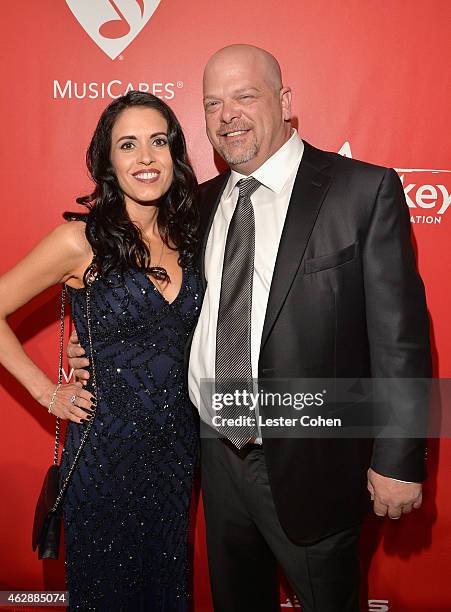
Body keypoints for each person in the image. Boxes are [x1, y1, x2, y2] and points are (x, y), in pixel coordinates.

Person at [69, 45, 431, 612]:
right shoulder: (197, 205)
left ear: (285, 102)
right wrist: (95, 339)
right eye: (213, 103)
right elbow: (166, 307)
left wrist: (400, 458)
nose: (227, 114)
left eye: (245, 96)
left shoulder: (362, 191)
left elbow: (401, 340)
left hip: (312, 460)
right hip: (213, 455)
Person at [0, 91, 200, 611]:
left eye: (158, 142)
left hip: (177, 455)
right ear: (108, 161)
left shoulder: (194, 237)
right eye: (127, 145)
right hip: (104, 454)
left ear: (175, 154)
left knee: (167, 591)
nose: (146, 158)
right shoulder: (79, 241)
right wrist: (47, 391)